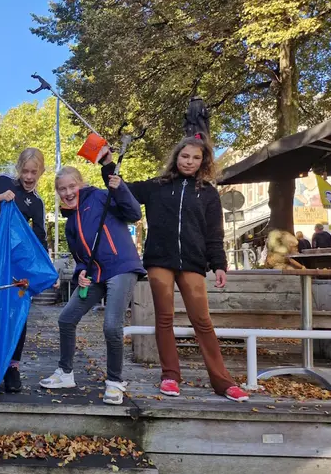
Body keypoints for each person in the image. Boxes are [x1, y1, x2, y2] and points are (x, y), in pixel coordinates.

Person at [96, 134, 250, 402]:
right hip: (159, 260)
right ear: (176, 157)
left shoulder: (208, 193)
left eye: (195, 157)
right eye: (185, 156)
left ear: (203, 161)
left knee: (202, 321)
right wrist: (108, 165)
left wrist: (219, 264)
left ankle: (223, 381)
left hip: (192, 262)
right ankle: (170, 376)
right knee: (164, 318)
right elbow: (121, 189)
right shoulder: (157, 186)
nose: (189, 161)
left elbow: (214, 233)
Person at [39, 166, 144, 405]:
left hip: (121, 267)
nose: (67, 192)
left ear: (81, 183)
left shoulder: (100, 196)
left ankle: (115, 382)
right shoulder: (70, 223)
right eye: (62, 189)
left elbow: (134, 212)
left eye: (71, 186)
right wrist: (81, 273)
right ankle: (65, 373)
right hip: (97, 274)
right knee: (66, 318)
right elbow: (80, 259)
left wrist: (121, 189)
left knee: (111, 326)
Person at [0, 147, 51, 392]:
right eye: (24, 171)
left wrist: (46, 271)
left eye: (33, 172)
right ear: (18, 169)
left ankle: (12, 367)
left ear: (41, 172)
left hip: (18, 266)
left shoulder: (36, 203)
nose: (28, 176)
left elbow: (40, 239)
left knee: (18, 314)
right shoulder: (4, 182)